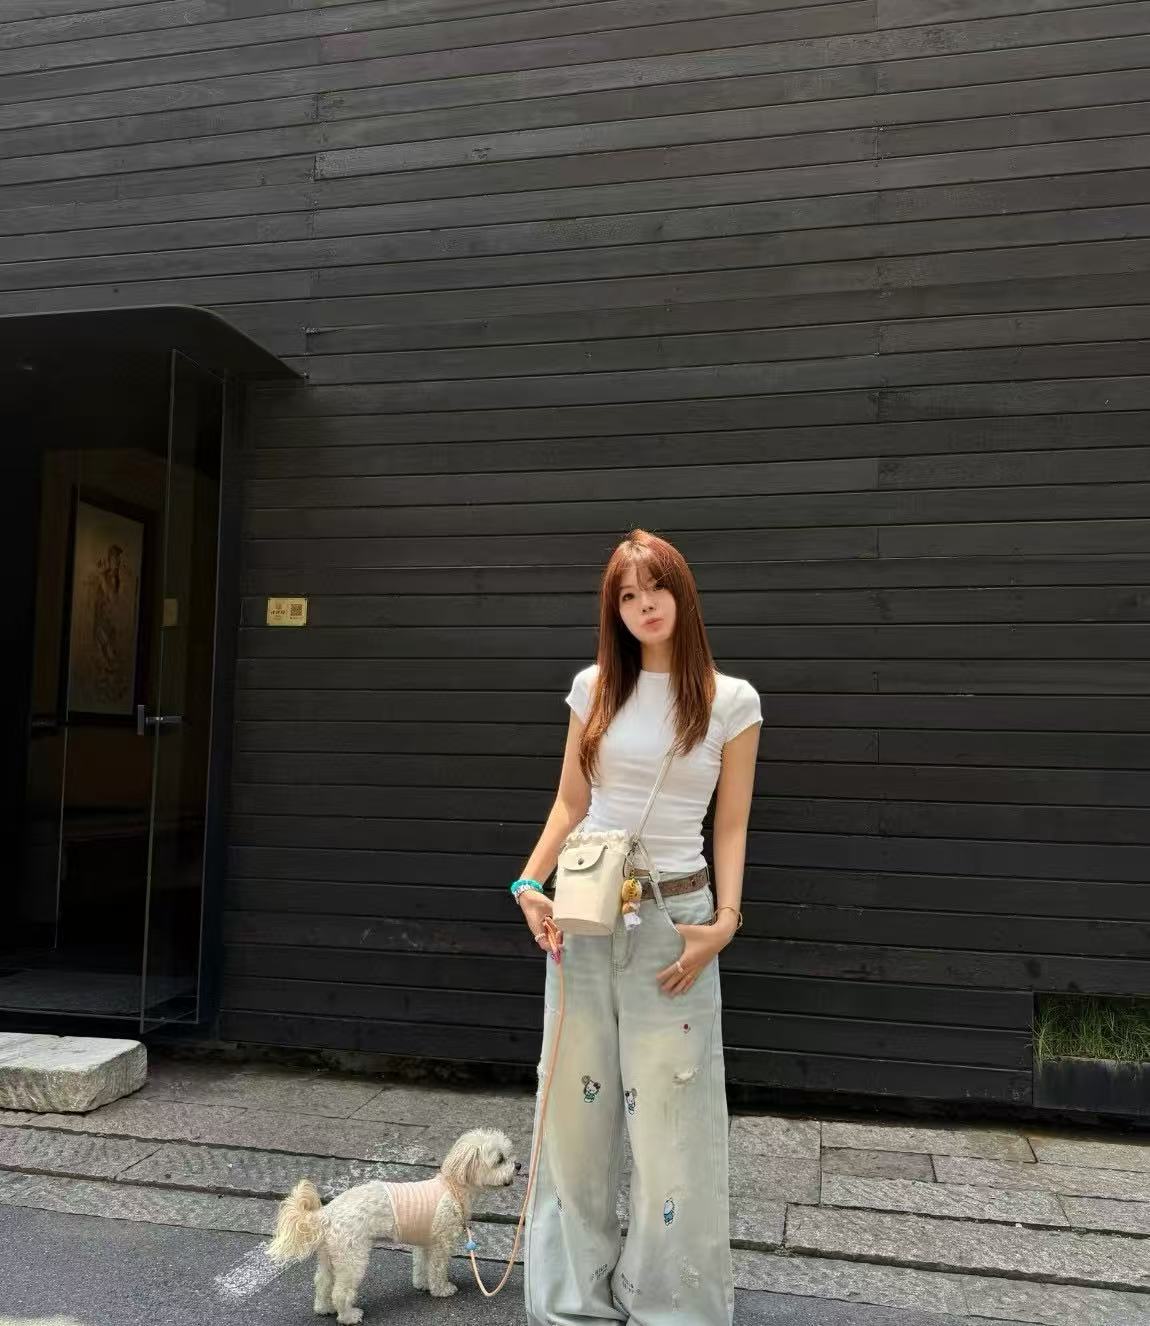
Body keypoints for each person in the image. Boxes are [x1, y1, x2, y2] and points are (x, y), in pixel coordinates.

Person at [511, 528, 762, 1325]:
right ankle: (573, 1302)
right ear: (612, 610)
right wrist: (529, 881)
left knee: (670, 1125)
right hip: (585, 916)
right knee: (574, 1119)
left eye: (655, 588)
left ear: (682, 594)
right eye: (627, 594)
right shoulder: (593, 689)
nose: (643, 604)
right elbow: (571, 802)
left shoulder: (731, 700)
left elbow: (731, 824)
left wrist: (724, 921)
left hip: (675, 922)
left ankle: (668, 1306)